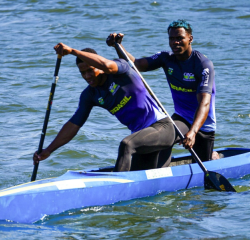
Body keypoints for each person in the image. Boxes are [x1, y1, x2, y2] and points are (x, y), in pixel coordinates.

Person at [33, 43, 175, 172]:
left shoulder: (121, 69)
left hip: (162, 127)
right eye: (82, 73)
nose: (87, 76)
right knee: (139, 178)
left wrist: (73, 51)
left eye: (90, 70)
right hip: (142, 138)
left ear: (98, 66)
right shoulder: (90, 95)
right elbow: (73, 125)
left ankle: (118, 190)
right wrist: (49, 150)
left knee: (126, 145)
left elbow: (107, 65)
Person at [106, 19, 217, 166]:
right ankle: (160, 173)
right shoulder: (166, 58)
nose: (175, 42)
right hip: (181, 118)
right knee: (164, 137)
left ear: (190, 39)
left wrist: (193, 132)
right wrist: (117, 45)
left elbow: (204, 102)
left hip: (202, 125)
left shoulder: (202, 64)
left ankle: (216, 157)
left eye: (180, 38)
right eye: (172, 39)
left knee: (205, 163)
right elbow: (136, 65)